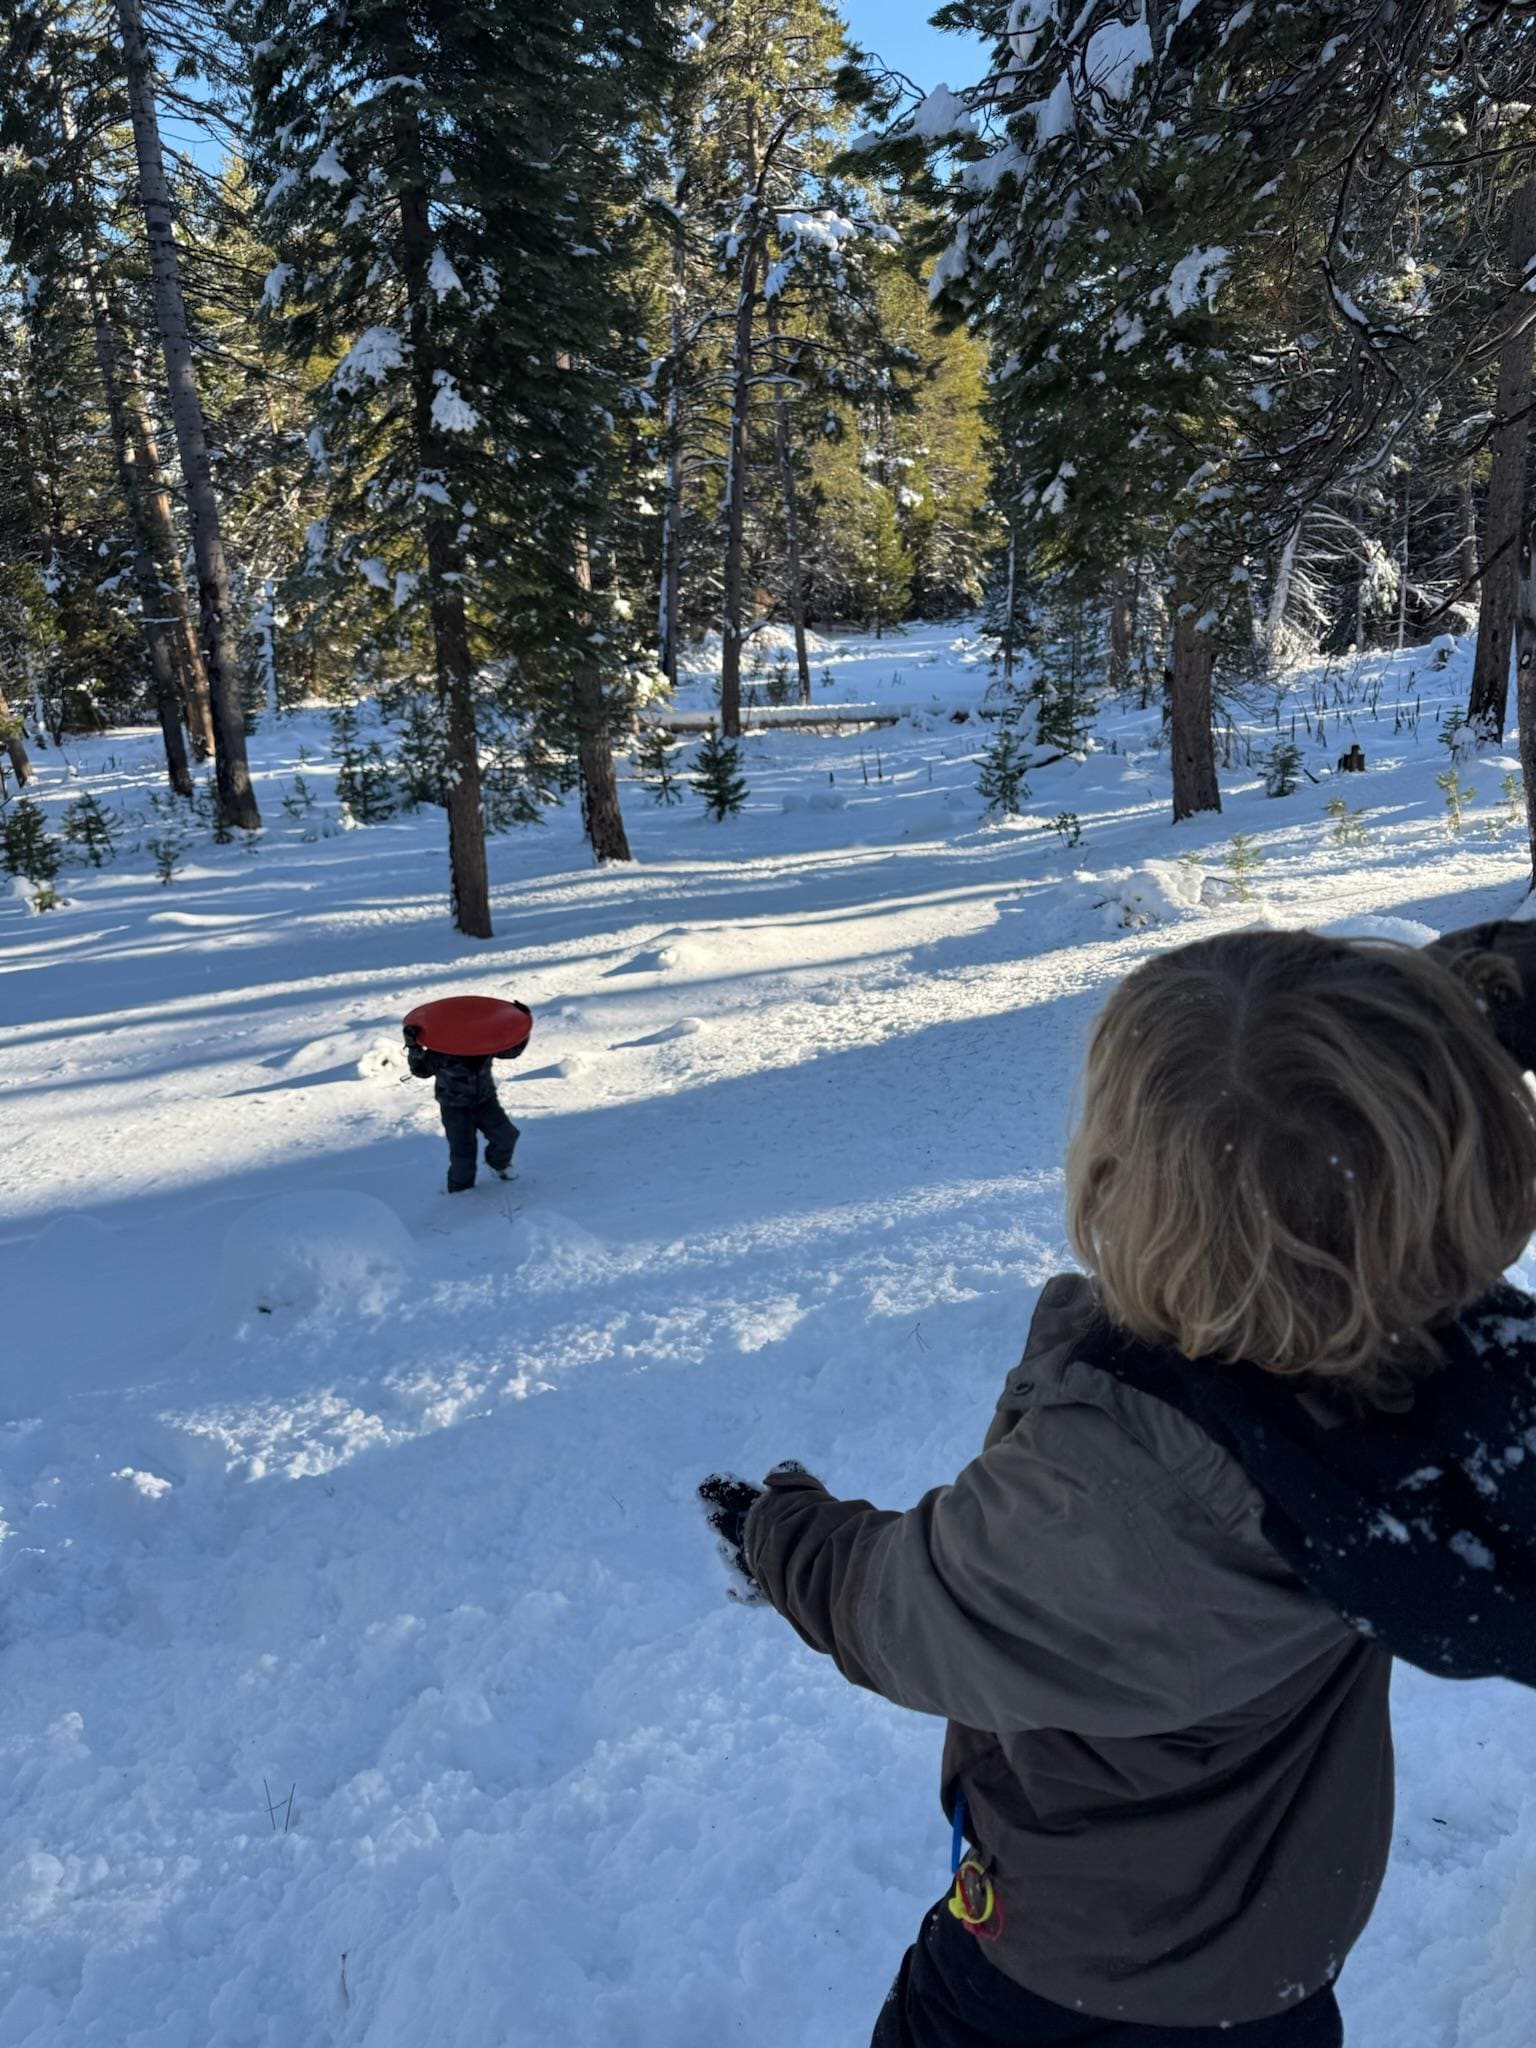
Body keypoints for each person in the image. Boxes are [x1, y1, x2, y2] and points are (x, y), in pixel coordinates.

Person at [702, 930, 1536, 2048]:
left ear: (1119, 1193)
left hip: (1054, 1981)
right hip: (1279, 1977)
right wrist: (1450, 1010)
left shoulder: (1121, 1495)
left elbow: (897, 1607)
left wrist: (776, 1527)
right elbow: (1336, 1125)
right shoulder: (1437, 1404)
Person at [404, 1012, 527, 1193]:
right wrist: (414, 1048)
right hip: (455, 1109)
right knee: (463, 1154)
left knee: (507, 1135)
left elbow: (511, 1050)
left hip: (486, 1102)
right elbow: (421, 1071)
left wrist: (521, 1023)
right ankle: (460, 1195)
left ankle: (498, 1164)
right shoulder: (440, 1050)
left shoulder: (484, 1043)